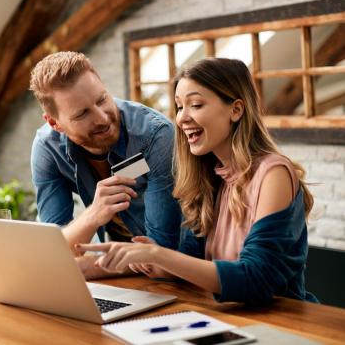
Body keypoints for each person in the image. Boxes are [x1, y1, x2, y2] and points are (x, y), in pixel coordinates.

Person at [77, 57, 318, 304]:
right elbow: (194, 262)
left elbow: (257, 278)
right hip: (228, 317)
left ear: (236, 110)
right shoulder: (211, 178)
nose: (182, 118)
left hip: (283, 323)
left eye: (196, 104)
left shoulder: (273, 173)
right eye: (180, 107)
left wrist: (159, 255)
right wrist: (149, 261)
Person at [29, 51, 182, 279]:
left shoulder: (154, 136)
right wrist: (93, 215)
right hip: (124, 273)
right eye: (82, 114)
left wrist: (83, 268)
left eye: (102, 99)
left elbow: (160, 251)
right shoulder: (48, 148)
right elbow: (54, 246)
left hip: (179, 274)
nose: (102, 118)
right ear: (54, 123)